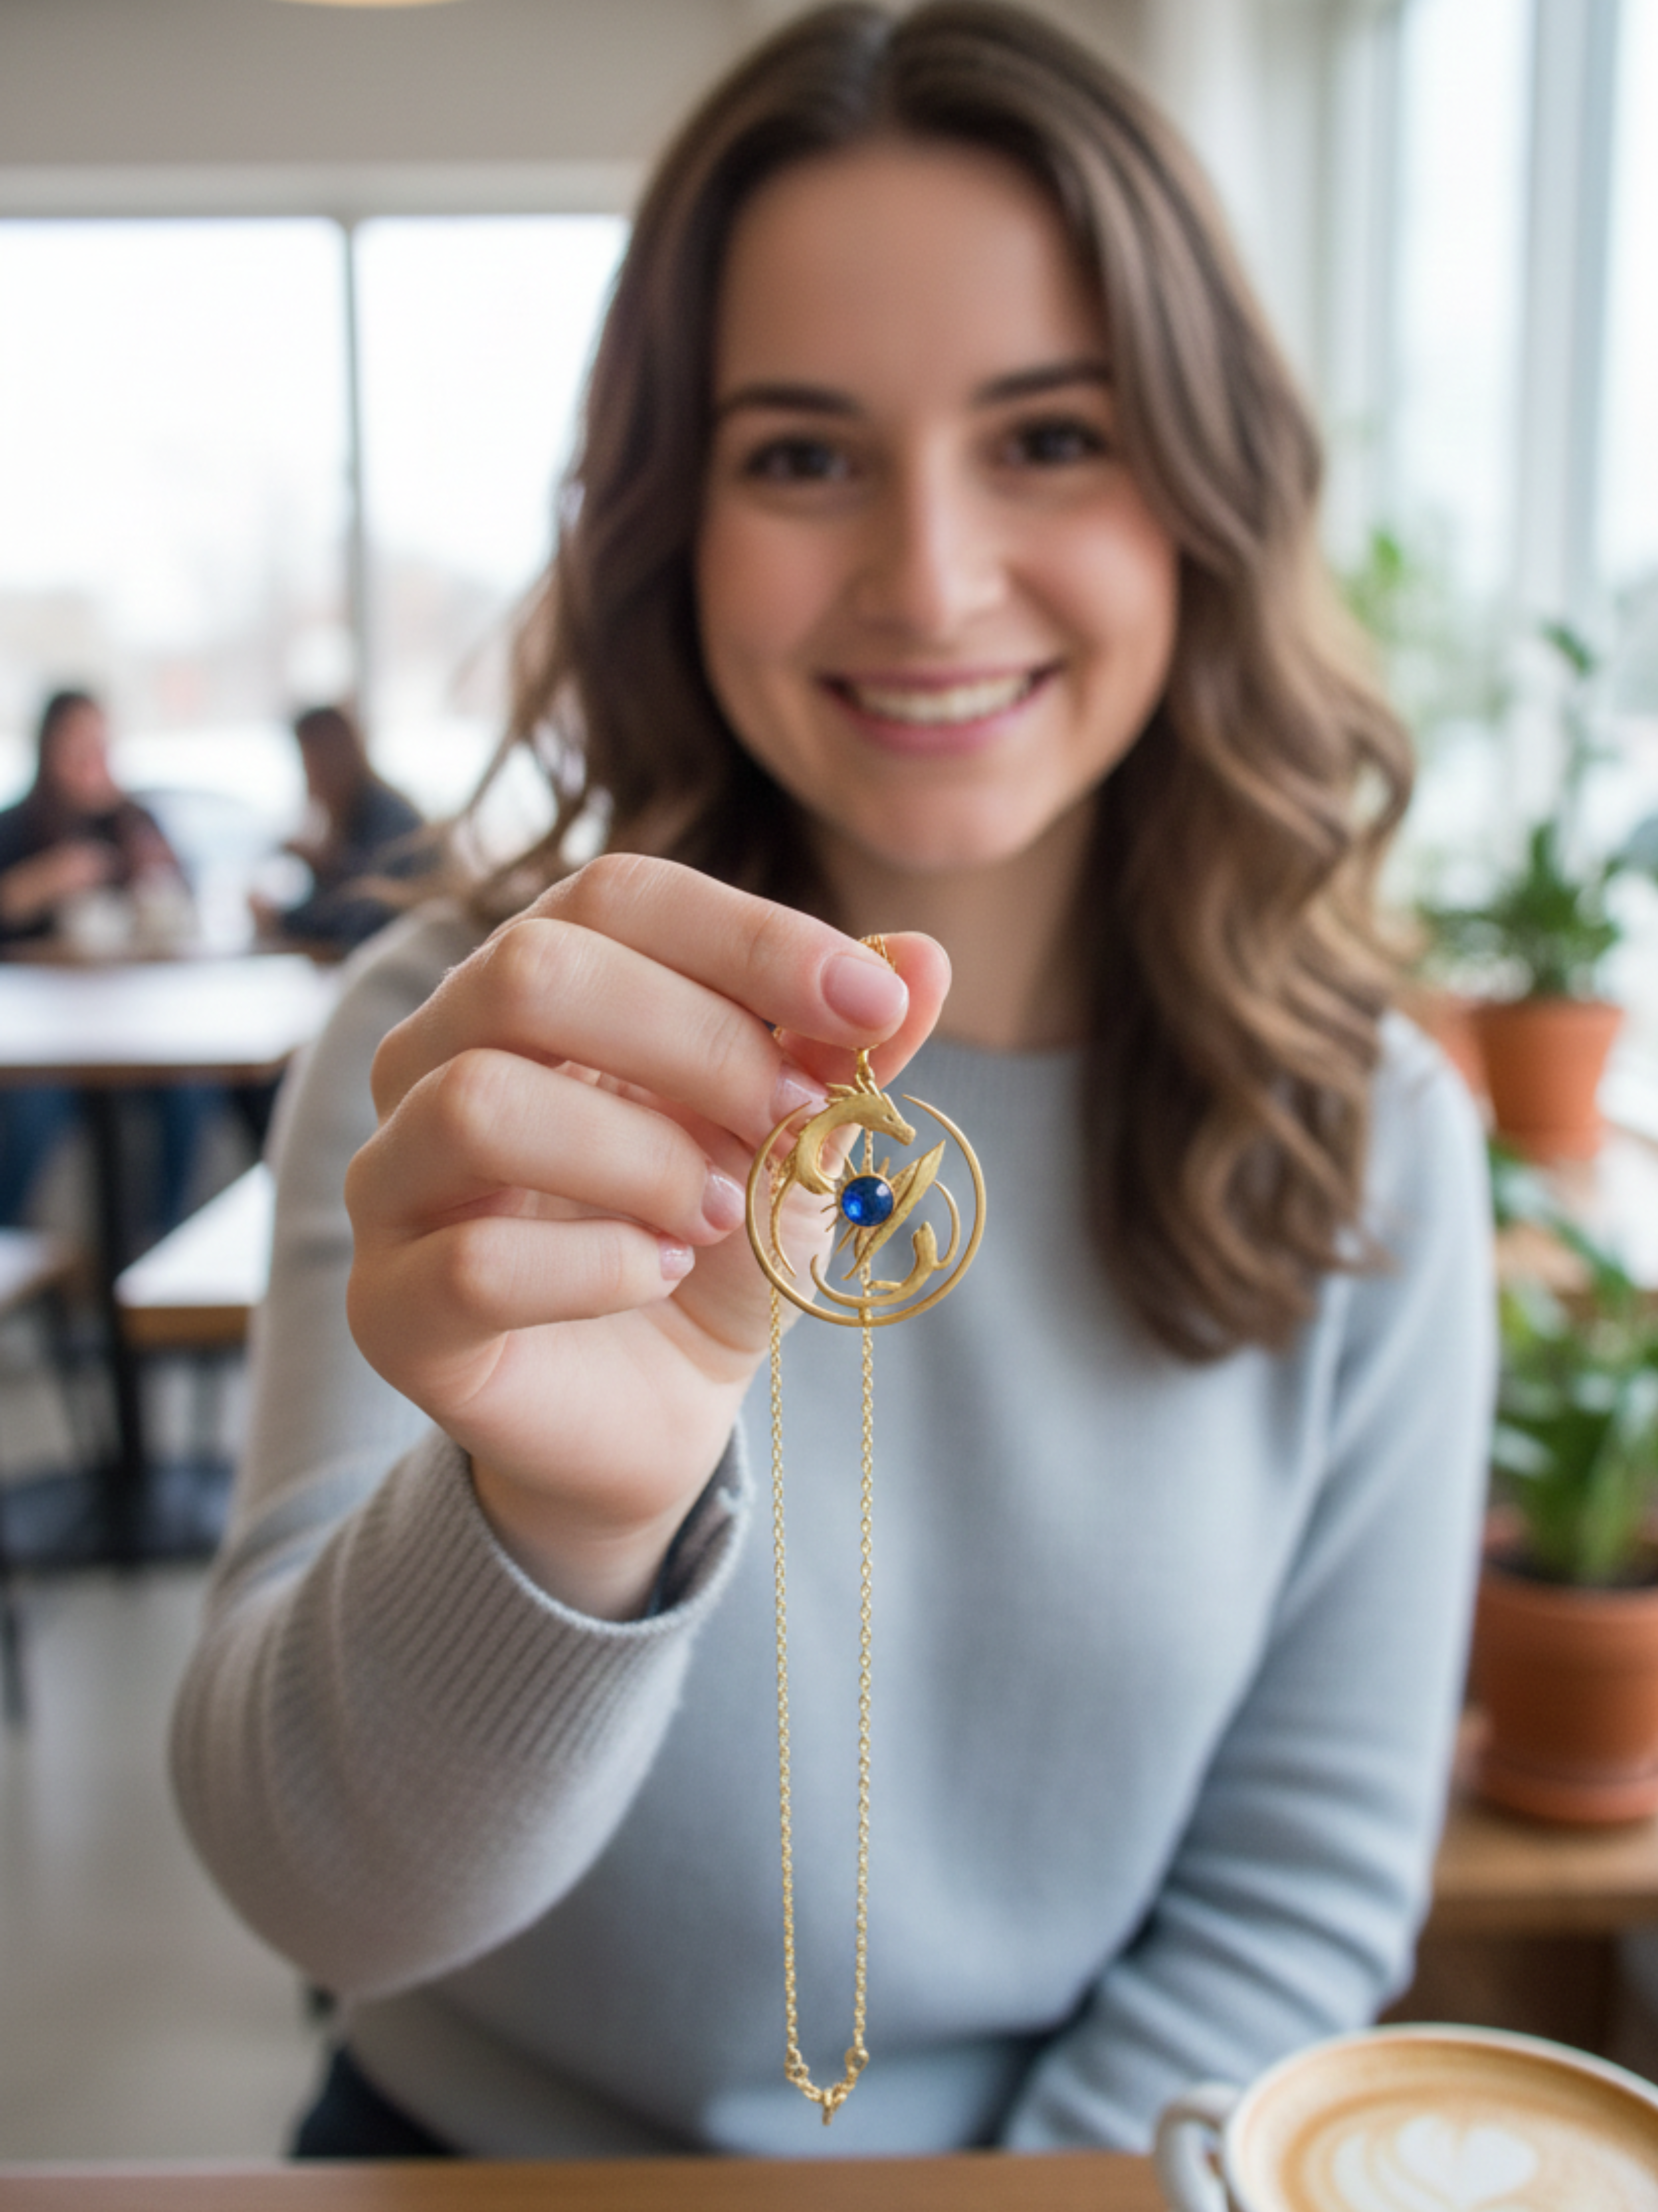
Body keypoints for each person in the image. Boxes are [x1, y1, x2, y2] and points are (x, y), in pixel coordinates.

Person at [171, 2, 1494, 2164]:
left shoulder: (1372, 1129)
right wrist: (564, 1523)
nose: (934, 577)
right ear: (674, 517)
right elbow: (312, 1895)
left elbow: (1295, 1896)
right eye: (802, 454)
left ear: (1205, 482)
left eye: (1050, 436)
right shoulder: (475, 1043)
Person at [0, 690, 209, 1235]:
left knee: (191, 1091)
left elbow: (184, 895)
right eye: (77, 741)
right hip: (48, 1036)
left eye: (100, 740)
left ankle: (162, 1248)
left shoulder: (134, 820)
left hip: (137, 1025)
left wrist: (160, 873)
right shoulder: (19, 827)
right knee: (28, 1109)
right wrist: (44, 882)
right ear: (49, 746)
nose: (92, 755)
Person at [253, 703, 430, 953]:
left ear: (327, 759)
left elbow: (360, 925)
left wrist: (281, 919)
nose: (306, 777)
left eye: (306, 763)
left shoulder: (389, 823)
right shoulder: (354, 816)